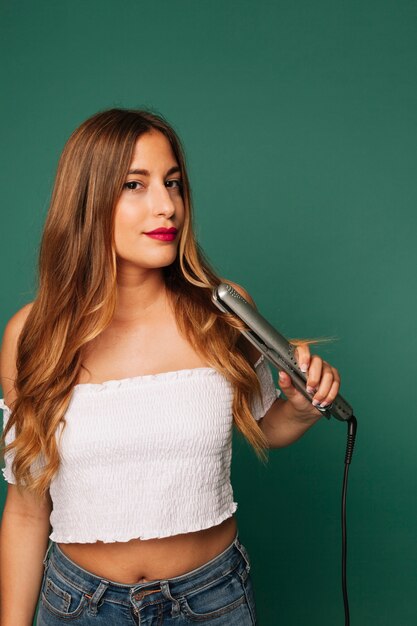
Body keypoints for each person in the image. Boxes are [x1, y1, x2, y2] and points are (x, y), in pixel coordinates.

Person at [0, 108, 341, 625]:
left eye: (173, 183)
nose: (167, 206)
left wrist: (300, 409)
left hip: (210, 601)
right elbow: (26, 510)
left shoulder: (224, 312)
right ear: (88, 199)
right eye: (135, 185)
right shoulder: (32, 335)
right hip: (78, 607)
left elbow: (265, 426)